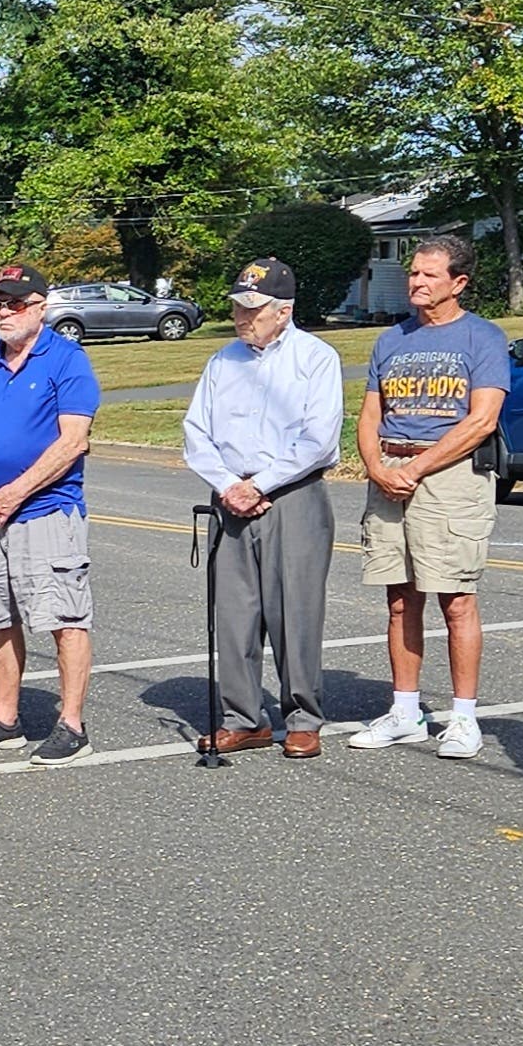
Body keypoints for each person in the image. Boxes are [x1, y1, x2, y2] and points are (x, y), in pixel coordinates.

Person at [348, 235, 510, 760]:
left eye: (428, 275)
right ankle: (405, 712)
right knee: (399, 599)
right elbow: (369, 414)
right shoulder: (391, 339)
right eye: (413, 273)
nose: (416, 282)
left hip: (449, 477)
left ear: (458, 283)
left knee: (456, 598)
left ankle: (463, 718)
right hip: (389, 473)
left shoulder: (482, 337)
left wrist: (417, 468)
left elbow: (482, 420)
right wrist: (376, 467)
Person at [182, 257, 343, 759]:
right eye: (237, 307)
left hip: (292, 496)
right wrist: (230, 485)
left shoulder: (315, 358)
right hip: (231, 498)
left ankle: (303, 718)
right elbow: (196, 433)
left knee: (295, 612)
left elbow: (318, 439)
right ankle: (243, 718)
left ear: (283, 311)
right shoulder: (222, 361)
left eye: (252, 309)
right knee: (235, 616)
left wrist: (261, 485)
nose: (241, 317)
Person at [0, 263, 100, 764]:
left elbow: (73, 441)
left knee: (65, 618)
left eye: (15, 303)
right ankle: (5, 719)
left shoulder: (67, 360)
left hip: (47, 511)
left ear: (40, 307)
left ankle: (72, 726)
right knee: (0, 616)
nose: (4, 312)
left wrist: (13, 493)